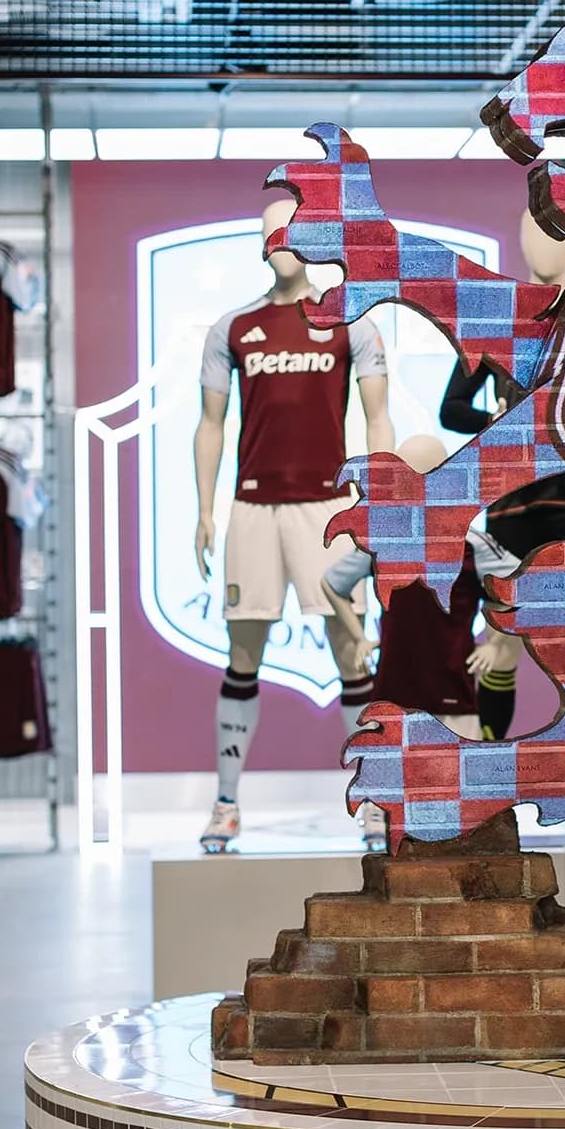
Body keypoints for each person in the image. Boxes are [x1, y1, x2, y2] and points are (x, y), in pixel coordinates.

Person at [193, 195, 394, 853]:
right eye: (269, 234)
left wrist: (383, 489)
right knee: (242, 654)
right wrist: (204, 509)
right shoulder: (232, 328)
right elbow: (212, 423)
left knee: (352, 649)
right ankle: (225, 803)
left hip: (326, 509)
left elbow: (377, 418)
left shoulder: (352, 325)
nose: (278, 242)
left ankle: (372, 800)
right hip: (253, 508)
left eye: (289, 232)